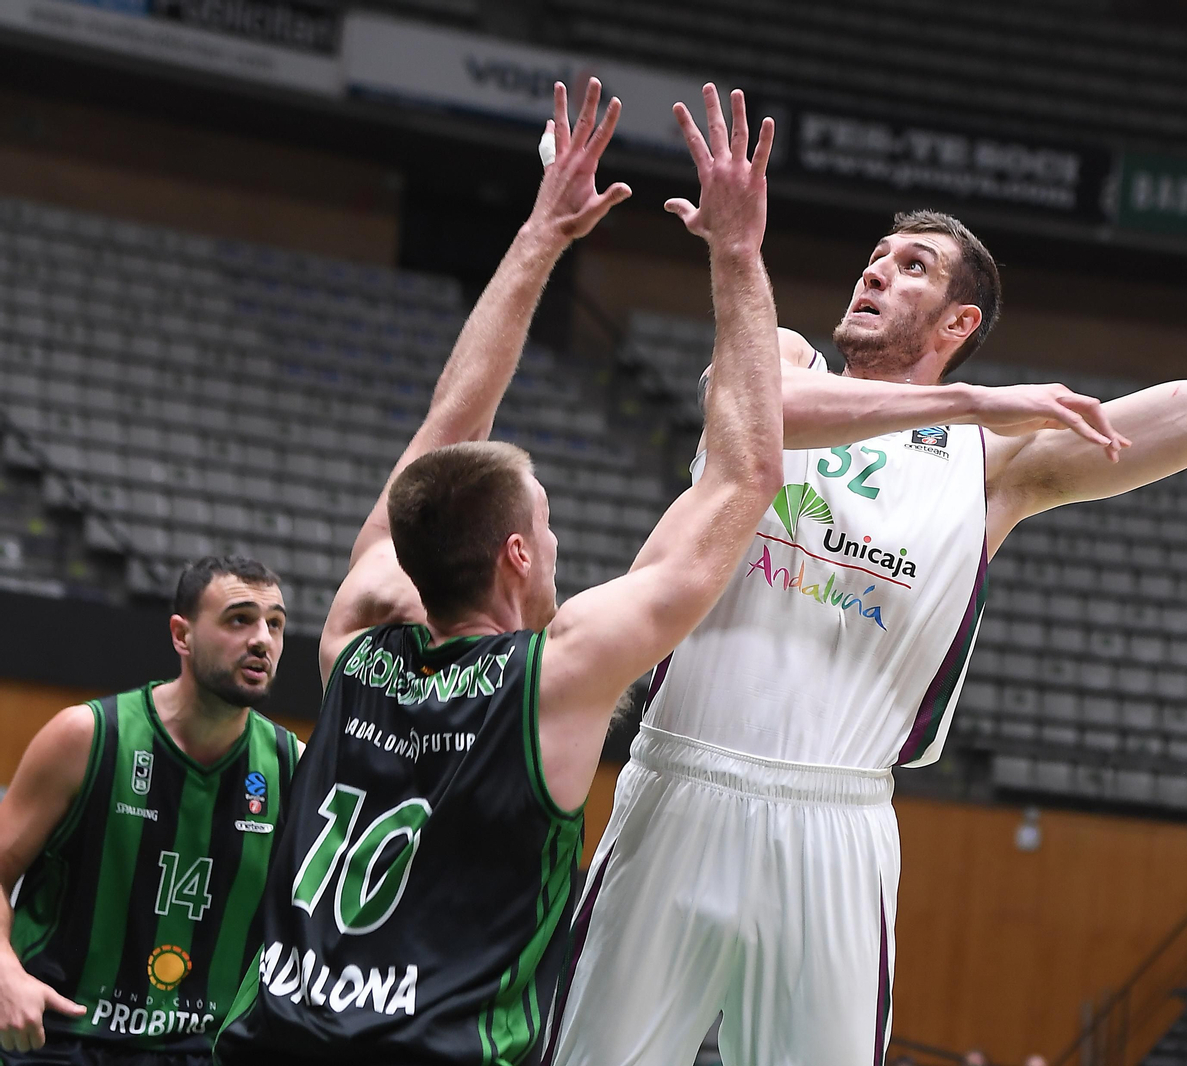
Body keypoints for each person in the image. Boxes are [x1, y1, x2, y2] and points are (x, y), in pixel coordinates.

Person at [548, 84, 1187, 1066]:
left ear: (958, 318)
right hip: (681, 781)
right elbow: (755, 413)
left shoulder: (996, 463)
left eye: (911, 265)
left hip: (836, 828)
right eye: (876, 258)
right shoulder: (785, 361)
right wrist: (975, 394)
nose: (876, 274)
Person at [211, 78, 784, 1065]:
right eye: (547, 525)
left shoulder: (354, 639)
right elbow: (748, 478)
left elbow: (445, 432)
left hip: (276, 1040)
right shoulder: (552, 679)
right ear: (518, 554)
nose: (555, 542)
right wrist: (736, 252)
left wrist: (539, 235)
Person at [0, 556, 298, 1063]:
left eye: (275, 624)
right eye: (239, 619)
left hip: (201, 1052)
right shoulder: (87, 737)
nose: (262, 640)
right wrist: (5, 974)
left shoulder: (293, 767)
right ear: (182, 636)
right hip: (60, 1040)